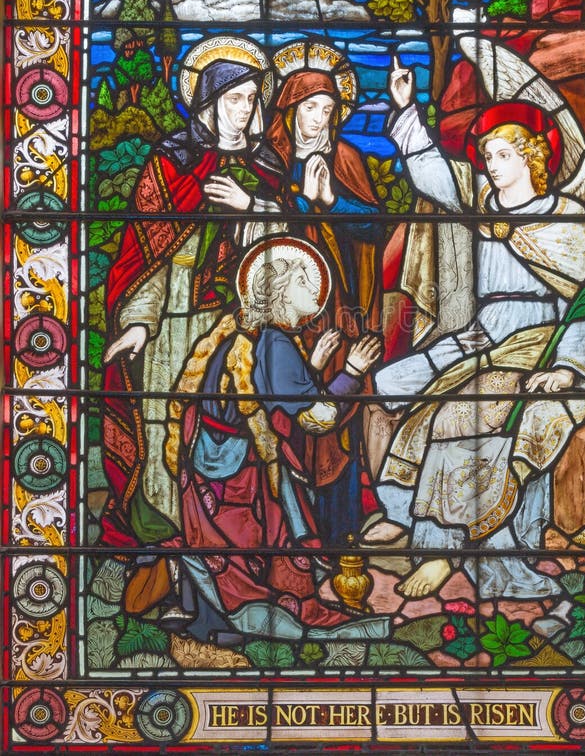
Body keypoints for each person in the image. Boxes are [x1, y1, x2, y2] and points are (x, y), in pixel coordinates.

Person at [367, 58, 585, 607]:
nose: (491, 164)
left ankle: (442, 548)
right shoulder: (483, 203)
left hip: (541, 345)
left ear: (532, 157)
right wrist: (406, 109)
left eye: (503, 154)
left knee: (474, 415)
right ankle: (408, 519)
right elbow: (432, 172)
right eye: (487, 155)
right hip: (483, 341)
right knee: (410, 397)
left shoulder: (564, 220)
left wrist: (565, 368)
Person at [101, 38, 285, 547]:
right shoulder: (171, 164)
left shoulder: (266, 166)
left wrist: (252, 207)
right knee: (166, 425)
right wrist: (139, 322)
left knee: (239, 428)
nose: (244, 110)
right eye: (234, 98)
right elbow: (147, 255)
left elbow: (289, 249)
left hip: (243, 320)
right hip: (176, 320)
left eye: (251, 99)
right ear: (207, 100)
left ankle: (237, 543)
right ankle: (173, 544)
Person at [165, 236, 387, 642]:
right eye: (306, 282)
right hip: (243, 478)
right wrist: (351, 371)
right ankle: (244, 625)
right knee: (259, 562)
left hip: (211, 469)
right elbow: (317, 418)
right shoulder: (275, 342)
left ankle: (210, 620)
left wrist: (313, 364)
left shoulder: (245, 333)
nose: (317, 293)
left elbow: (270, 394)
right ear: (283, 294)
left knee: (228, 558)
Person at [263, 67, 383, 544]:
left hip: (342, 311)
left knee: (342, 416)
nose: (319, 118)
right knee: (291, 414)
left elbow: (376, 226)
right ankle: (293, 532)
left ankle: (340, 531)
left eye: (329, 110)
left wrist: (330, 200)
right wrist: (299, 200)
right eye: (310, 107)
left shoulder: (347, 158)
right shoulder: (270, 161)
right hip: (285, 311)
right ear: (289, 112)